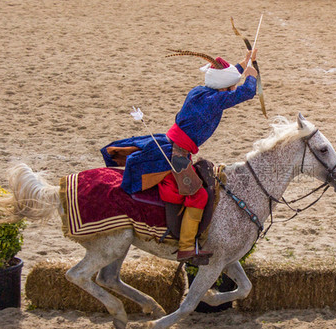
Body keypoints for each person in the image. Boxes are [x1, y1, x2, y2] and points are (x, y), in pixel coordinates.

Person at [101, 49, 259, 261]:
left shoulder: (201, 91)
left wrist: (244, 63)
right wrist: (251, 77)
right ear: (224, 86)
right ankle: (185, 247)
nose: (233, 87)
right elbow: (246, 92)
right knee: (199, 195)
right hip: (176, 154)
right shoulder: (214, 101)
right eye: (232, 84)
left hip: (172, 144)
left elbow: (226, 79)